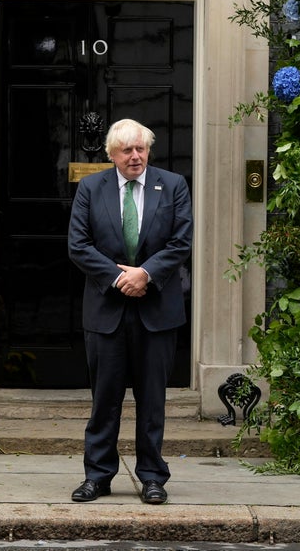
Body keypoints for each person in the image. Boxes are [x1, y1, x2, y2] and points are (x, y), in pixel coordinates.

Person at [67, 118, 192, 506]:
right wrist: (120, 278)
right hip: (107, 311)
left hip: (157, 311)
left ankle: (152, 477)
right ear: (112, 154)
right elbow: (78, 245)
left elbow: (181, 241)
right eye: (127, 150)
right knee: (104, 400)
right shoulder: (91, 188)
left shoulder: (173, 185)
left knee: (152, 401)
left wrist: (146, 274)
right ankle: (98, 476)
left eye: (141, 148)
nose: (135, 156)